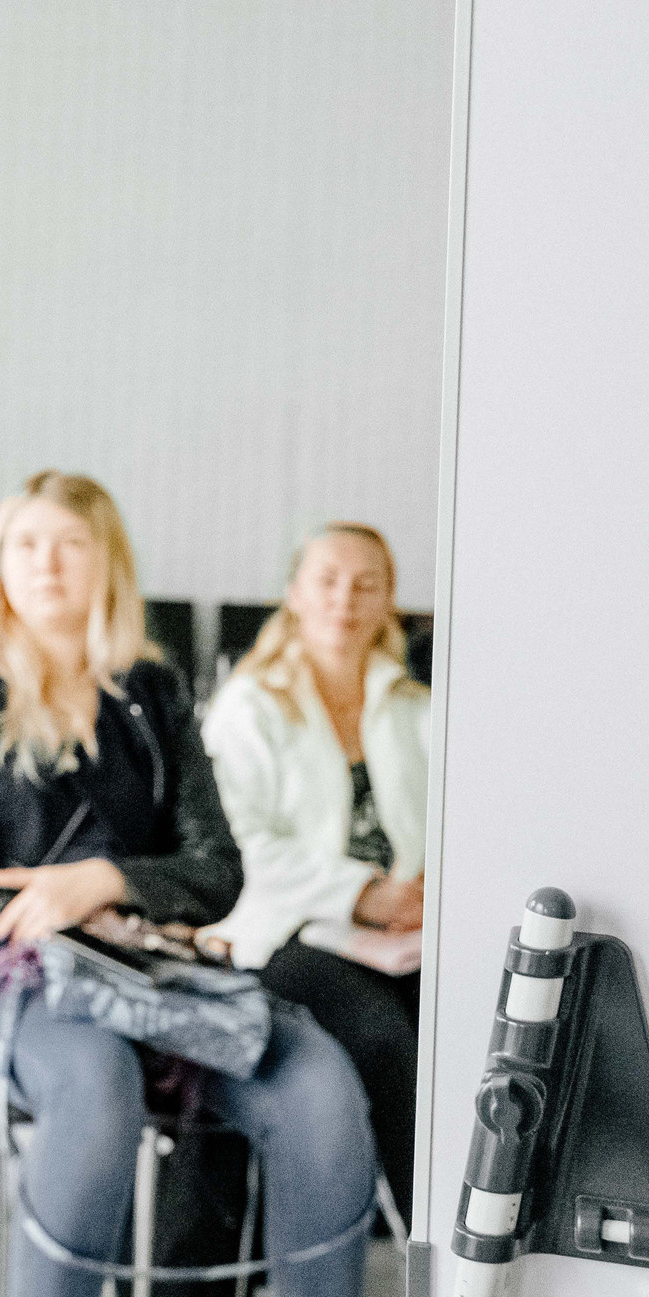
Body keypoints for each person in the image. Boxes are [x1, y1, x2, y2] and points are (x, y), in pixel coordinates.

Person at [0, 473, 375, 1297]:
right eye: (26, 544)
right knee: (96, 1078)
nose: (46, 564)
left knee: (318, 1082)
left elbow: (216, 870)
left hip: (146, 968)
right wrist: (46, 910)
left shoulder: (153, 690)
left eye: (69, 544)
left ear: (109, 561)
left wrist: (102, 882)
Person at [201, 522, 430, 1220]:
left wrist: (427, 896)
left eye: (367, 583)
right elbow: (237, 845)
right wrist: (363, 893)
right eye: (327, 580)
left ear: (390, 597)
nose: (345, 599)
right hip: (289, 929)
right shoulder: (250, 704)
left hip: (409, 933)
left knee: (482, 1031)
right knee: (388, 1040)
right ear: (293, 593)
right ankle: (438, 1258)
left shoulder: (418, 708)